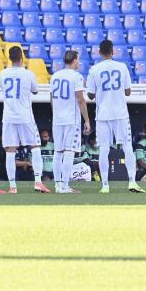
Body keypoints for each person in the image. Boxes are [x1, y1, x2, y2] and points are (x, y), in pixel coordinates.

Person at [86, 40, 144, 194]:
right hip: (120, 113)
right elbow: (128, 91)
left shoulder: (94, 69)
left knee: (104, 149)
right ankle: (132, 181)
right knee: (127, 146)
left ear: (99, 52)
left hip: (103, 115)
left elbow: (90, 95)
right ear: (113, 52)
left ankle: (105, 185)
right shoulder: (122, 67)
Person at [0, 46, 48, 194]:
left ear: (9, 58)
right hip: (25, 115)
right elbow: (35, 90)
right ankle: (38, 182)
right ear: (22, 58)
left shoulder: (2, 74)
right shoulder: (28, 74)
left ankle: (12, 186)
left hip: (8, 116)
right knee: (35, 146)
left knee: (10, 150)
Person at [48, 51, 89, 194]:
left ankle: (58, 185)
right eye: (78, 59)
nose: (79, 62)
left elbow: (52, 99)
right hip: (71, 119)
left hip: (57, 119)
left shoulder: (55, 76)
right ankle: (65, 186)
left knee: (58, 152)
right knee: (69, 151)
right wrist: (87, 120)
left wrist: (55, 115)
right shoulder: (76, 77)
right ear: (74, 60)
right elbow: (80, 99)